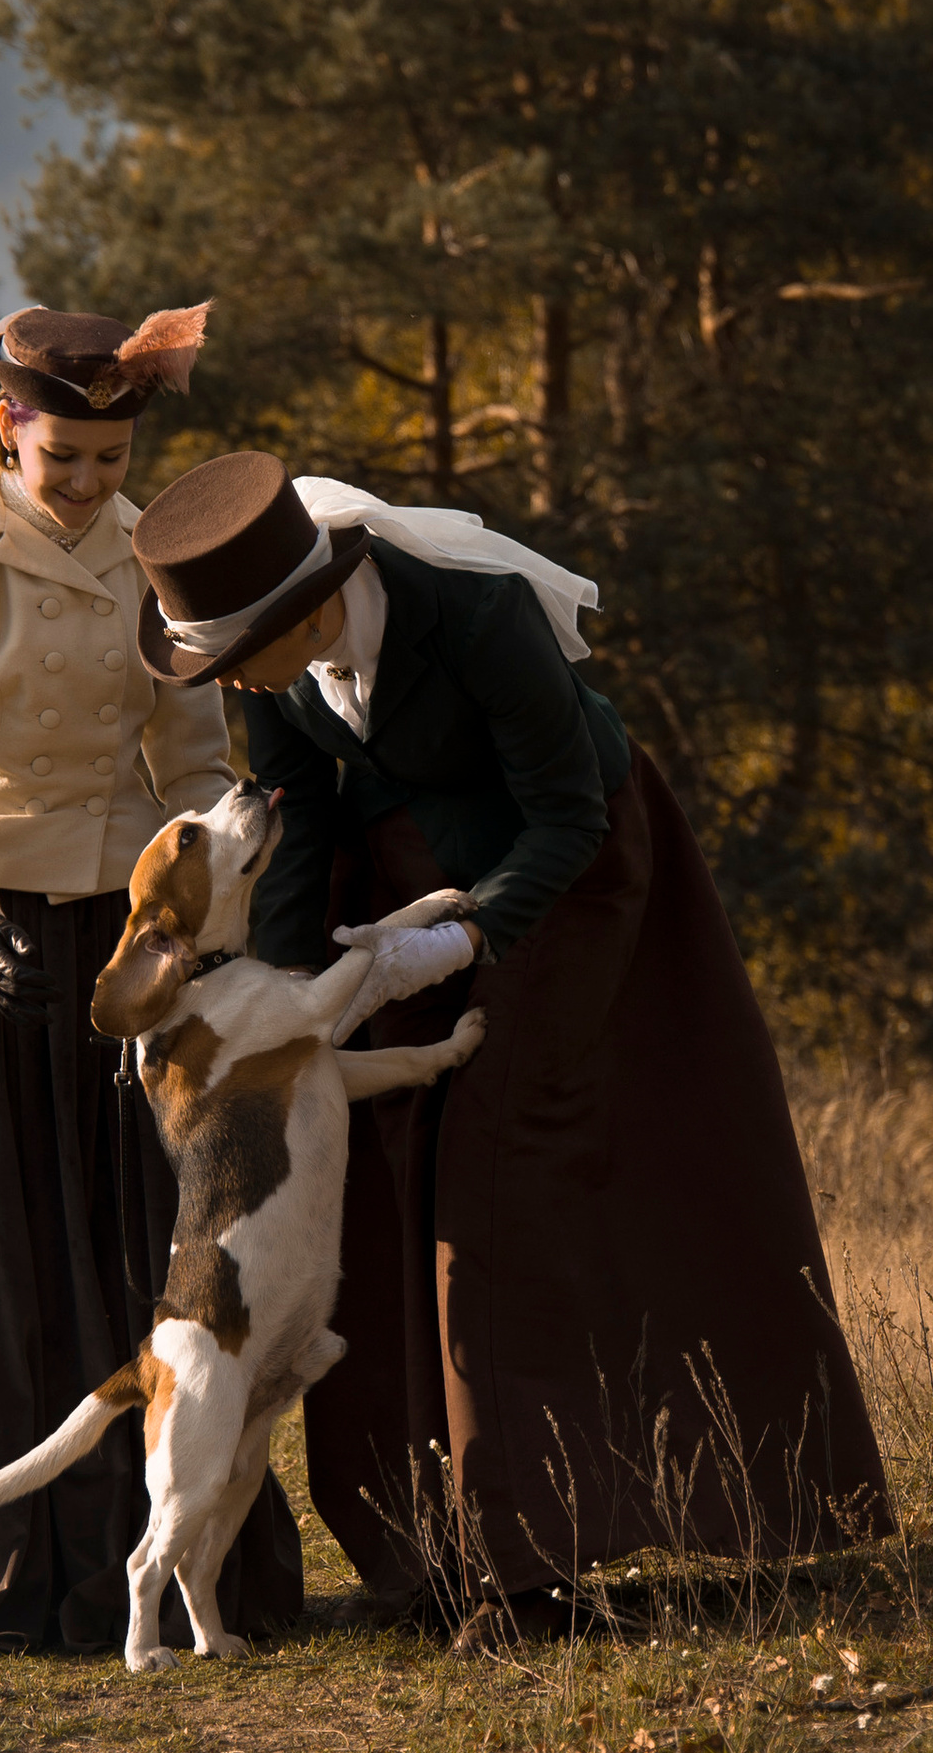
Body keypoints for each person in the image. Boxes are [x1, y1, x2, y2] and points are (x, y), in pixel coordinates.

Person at [130, 453, 892, 1643]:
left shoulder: (480, 621)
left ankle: (532, 1559)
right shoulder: (277, 675)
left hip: (574, 879)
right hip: (402, 891)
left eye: (239, 662)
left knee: (499, 1170)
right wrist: (284, 993)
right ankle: (427, 1542)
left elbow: (570, 814)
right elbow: (301, 809)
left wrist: (468, 937)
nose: (236, 687)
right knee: (389, 1163)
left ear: (310, 606)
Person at [0, 304, 304, 1653]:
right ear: (12, 432)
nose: (97, 489)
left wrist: (224, 881)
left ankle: (177, 1543)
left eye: (113, 464)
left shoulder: (143, 552)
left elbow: (192, 755)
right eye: (70, 464)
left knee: (155, 1234)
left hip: (126, 931)